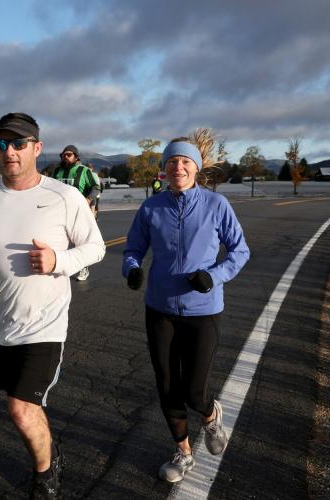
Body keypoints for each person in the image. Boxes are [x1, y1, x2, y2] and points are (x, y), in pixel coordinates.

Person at [0, 112, 105, 498]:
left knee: (20, 409)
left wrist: (59, 262)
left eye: (19, 144)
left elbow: (96, 247)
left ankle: (45, 476)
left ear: (36, 148)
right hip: (0, 324)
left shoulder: (63, 196)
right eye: (2, 144)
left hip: (45, 326)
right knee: (26, 407)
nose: (10, 152)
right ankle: (48, 448)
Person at [122, 137, 249, 483]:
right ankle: (184, 453)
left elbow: (240, 251)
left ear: (196, 168)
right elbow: (133, 248)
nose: (178, 168)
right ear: (163, 169)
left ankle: (210, 415)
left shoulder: (216, 204)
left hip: (203, 310)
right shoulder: (151, 208)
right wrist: (132, 270)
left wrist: (214, 275)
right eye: (172, 162)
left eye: (185, 162)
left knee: (194, 391)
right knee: (167, 387)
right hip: (160, 309)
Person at [50, 145, 99, 281]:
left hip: (79, 212)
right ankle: (59, 266)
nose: (65, 157)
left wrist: (88, 199)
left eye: (69, 154)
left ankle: (83, 267)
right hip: (59, 211)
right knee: (59, 241)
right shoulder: (57, 171)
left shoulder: (84, 171)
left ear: (76, 157)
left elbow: (96, 188)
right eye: (63, 155)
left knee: (81, 242)